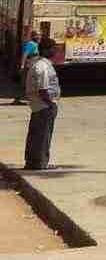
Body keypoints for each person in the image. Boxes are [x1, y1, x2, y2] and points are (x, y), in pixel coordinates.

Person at [23, 39, 61, 171]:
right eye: (53, 48)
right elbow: (43, 89)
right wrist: (50, 104)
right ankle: (40, 163)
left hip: (40, 105)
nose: (55, 51)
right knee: (43, 135)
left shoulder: (41, 64)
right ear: (45, 50)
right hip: (44, 106)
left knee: (36, 134)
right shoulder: (42, 67)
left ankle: (32, 162)